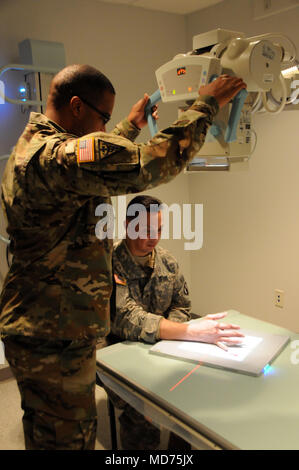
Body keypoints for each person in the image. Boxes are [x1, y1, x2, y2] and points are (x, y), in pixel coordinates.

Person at [0, 63, 246, 450]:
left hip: (39, 327)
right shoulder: (55, 158)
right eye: (103, 117)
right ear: (77, 107)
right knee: (67, 440)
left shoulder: (33, 148)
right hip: (55, 337)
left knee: (44, 430)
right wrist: (206, 104)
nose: (104, 126)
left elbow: (89, 159)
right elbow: (151, 161)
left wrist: (127, 127)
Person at [106, 195, 244, 450]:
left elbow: (182, 305)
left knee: (193, 397)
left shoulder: (167, 261)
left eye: (158, 230)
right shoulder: (109, 262)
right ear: (128, 225)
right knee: (143, 411)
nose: (153, 238)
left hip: (165, 347)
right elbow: (125, 316)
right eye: (146, 230)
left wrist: (174, 333)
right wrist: (185, 331)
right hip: (117, 351)